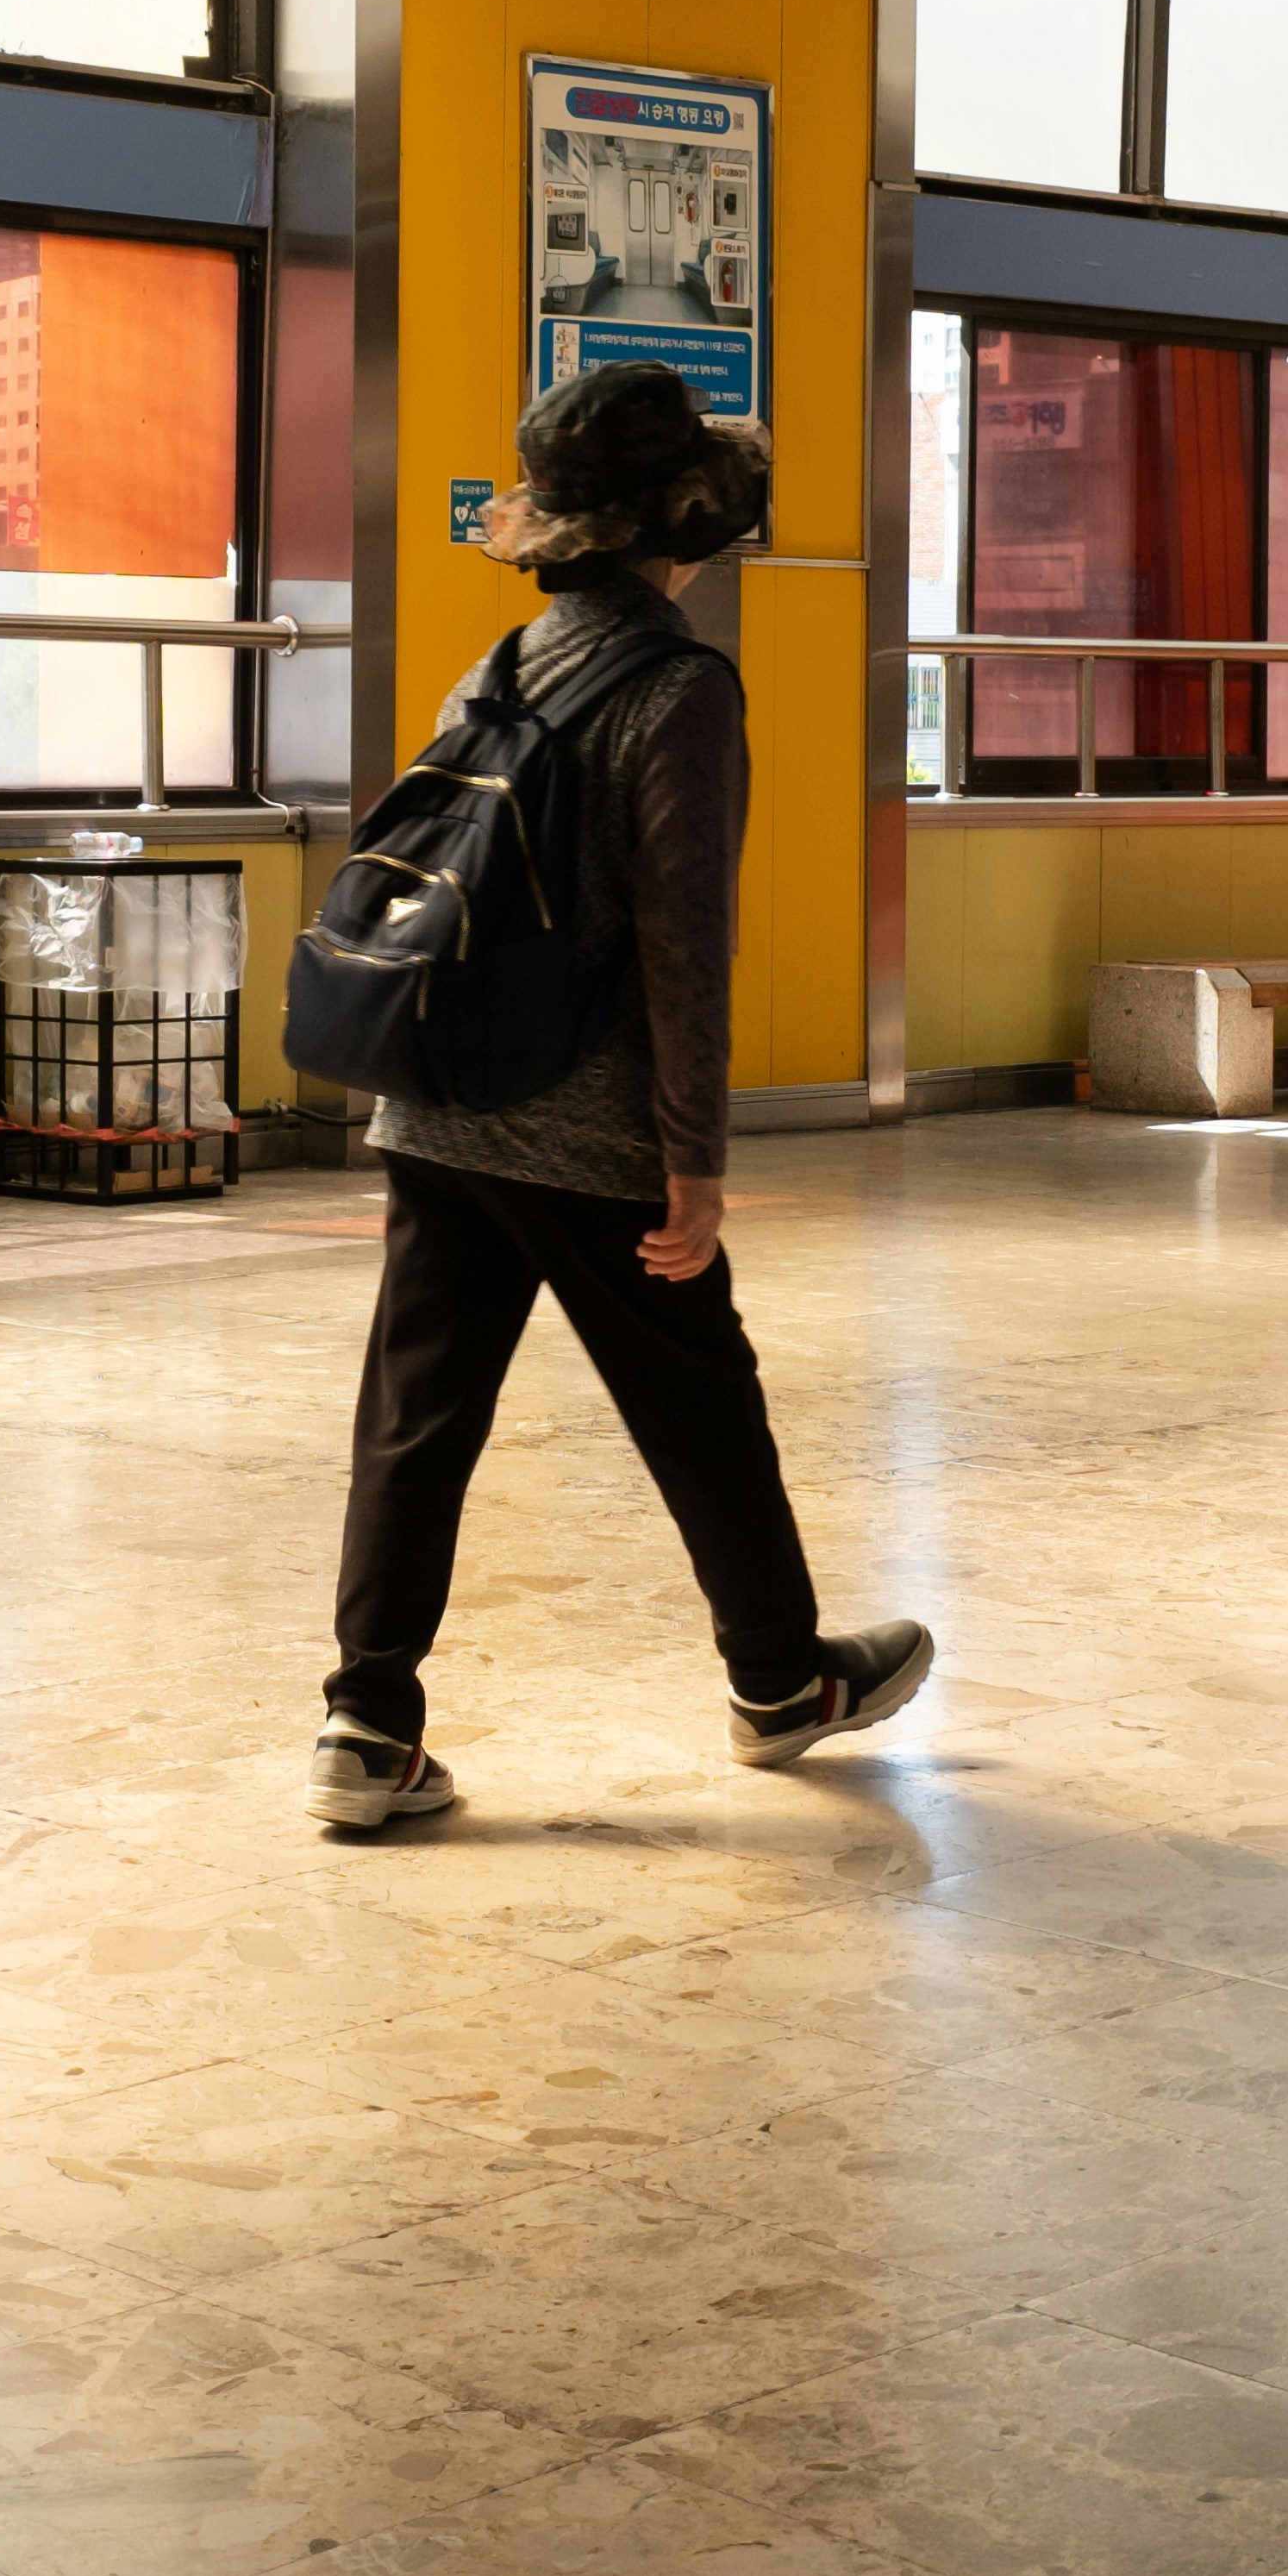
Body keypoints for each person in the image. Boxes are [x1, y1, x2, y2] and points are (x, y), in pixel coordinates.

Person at [314, 363, 930, 1831]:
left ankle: (364, 1725)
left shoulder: (506, 662)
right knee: (701, 1399)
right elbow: (682, 944)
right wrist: (694, 1159)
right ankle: (781, 1682)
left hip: (439, 1104)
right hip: (586, 1132)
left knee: (415, 1418)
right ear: (690, 531)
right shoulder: (677, 688)